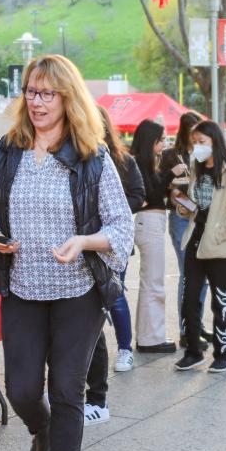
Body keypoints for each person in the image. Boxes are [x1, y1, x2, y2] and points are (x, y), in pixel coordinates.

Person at [0, 54, 134, 451]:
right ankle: (41, 432)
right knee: (23, 389)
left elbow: (121, 226)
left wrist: (84, 242)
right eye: (31, 91)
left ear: (68, 98)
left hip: (77, 293)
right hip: (22, 287)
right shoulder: (7, 151)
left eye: (48, 93)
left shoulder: (91, 156)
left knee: (67, 390)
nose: (37, 101)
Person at [81, 108, 145, 426]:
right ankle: (73, 391)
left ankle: (122, 352)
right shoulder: (72, 157)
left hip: (107, 249)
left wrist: (113, 207)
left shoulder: (117, 159)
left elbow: (137, 195)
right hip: (75, 255)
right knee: (79, 325)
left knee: (107, 307)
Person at [174, 121, 226, 373]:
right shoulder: (196, 170)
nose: (197, 147)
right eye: (194, 142)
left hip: (221, 249)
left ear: (215, 142)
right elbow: (197, 206)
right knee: (190, 299)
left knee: (222, 302)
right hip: (195, 243)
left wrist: (219, 234)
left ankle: (224, 352)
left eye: (202, 142)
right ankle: (193, 351)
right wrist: (183, 207)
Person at [129, 119, 176, 355]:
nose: (165, 143)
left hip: (150, 222)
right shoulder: (139, 162)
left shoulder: (143, 161)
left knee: (152, 281)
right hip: (149, 222)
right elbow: (150, 194)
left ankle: (149, 335)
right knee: (153, 282)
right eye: (162, 139)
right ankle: (151, 339)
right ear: (151, 141)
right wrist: (170, 175)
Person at [160, 111, 205, 338]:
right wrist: (186, 203)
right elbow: (168, 188)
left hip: (203, 219)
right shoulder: (171, 155)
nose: (197, 137)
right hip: (180, 217)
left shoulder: (206, 152)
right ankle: (187, 329)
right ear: (185, 131)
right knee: (187, 273)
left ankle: (197, 324)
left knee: (203, 275)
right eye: (193, 132)